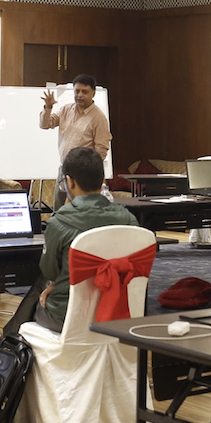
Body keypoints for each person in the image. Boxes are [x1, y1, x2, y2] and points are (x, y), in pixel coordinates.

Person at [2, 147, 138, 335]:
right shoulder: (130, 220)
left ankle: (9, 344)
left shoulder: (60, 222)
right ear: (102, 180)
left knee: (41, 284)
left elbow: (50, 271)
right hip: (118, 311)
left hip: (66, 317)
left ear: (69, 181)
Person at [40, 74, 112, 210]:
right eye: (77, 91)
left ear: (93, 93)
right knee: (60, 209)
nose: (80, 95)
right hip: (65, 170)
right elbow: (45, 124)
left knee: (80, 211)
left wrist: (89, 173)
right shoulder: (66, 110)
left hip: (84, 174)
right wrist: (48, 107)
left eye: (84, 92)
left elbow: (101, 150)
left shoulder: (99, 118)